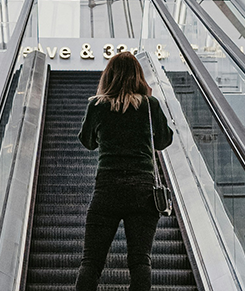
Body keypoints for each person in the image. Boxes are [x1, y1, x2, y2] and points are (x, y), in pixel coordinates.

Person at [75, 51, 174, 291]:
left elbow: (87, 141)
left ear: (109, 76)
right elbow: (163, 141)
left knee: (91, 262)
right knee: (140, 261)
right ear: (138, 76)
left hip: (107, 188)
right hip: (143, 190)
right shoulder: (150, 105)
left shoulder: (97, 105)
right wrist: (148, 102)